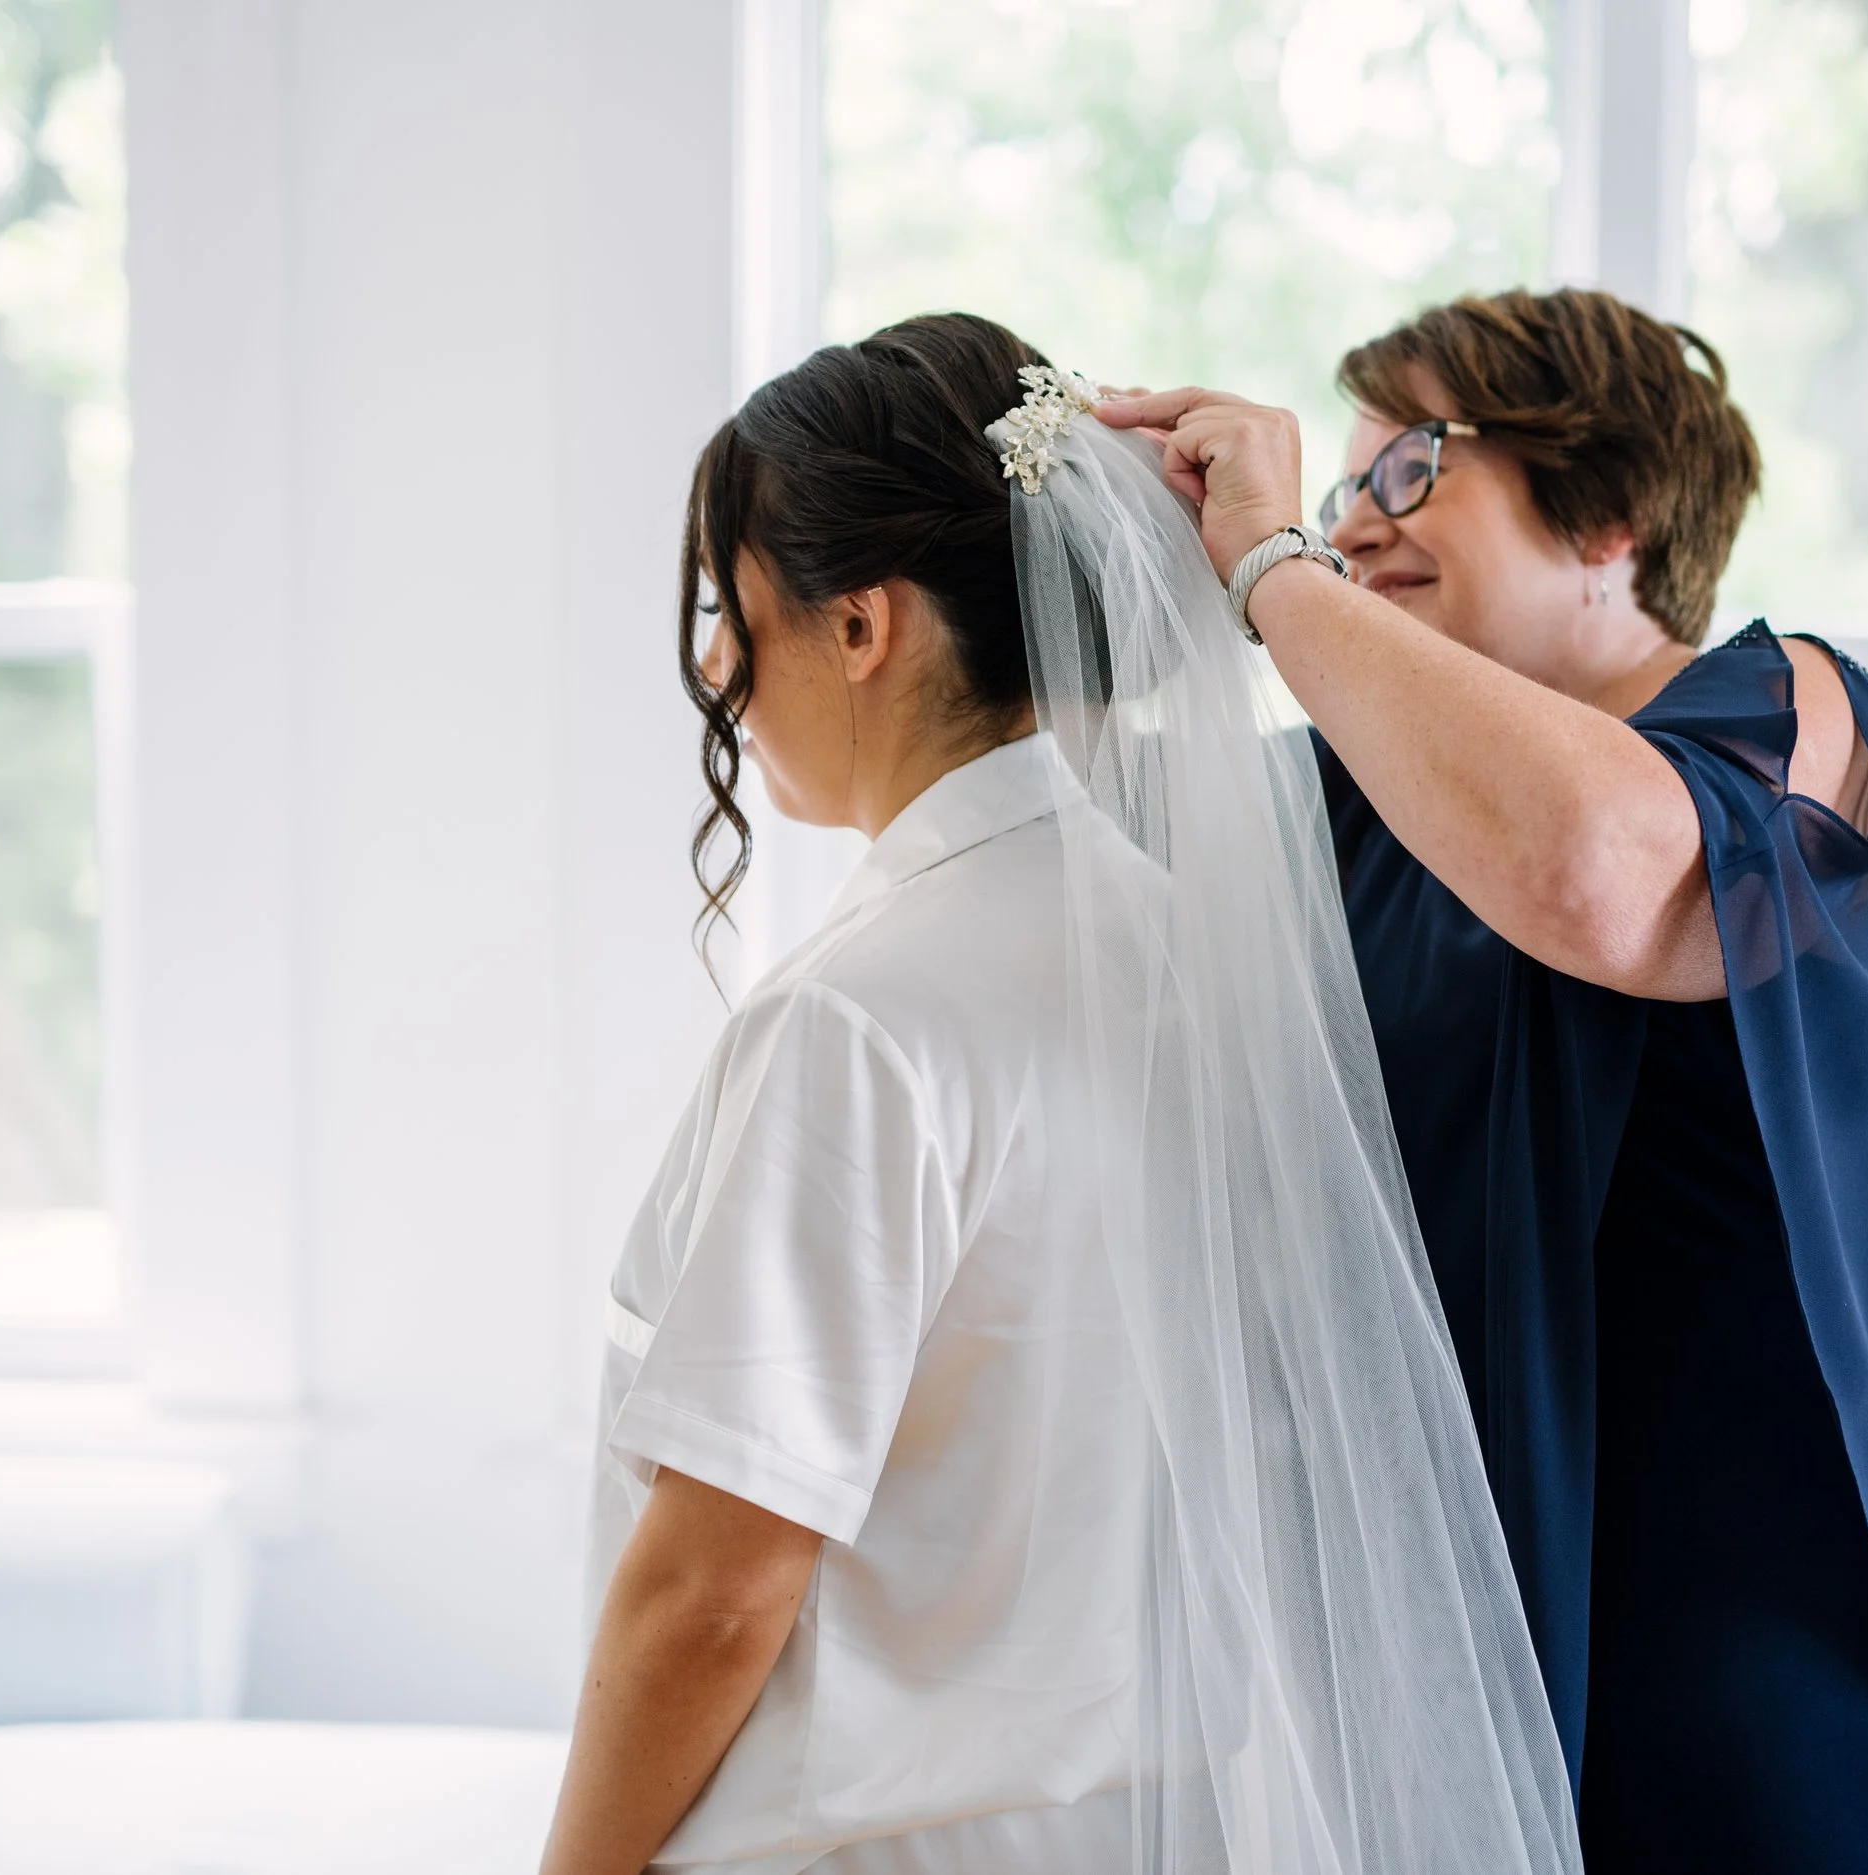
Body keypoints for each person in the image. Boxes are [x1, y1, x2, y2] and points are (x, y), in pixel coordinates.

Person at [538, 315, 1581, 1875]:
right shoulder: (1191, 961)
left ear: (861, 623)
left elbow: (716, 1586)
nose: (714, 669)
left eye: (727, 603)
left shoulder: (856, 1018)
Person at [1095, 287, 1868, 1875]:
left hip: (1766, 1701)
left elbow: (1603, 877)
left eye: (1410, 467)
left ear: (1609, 515)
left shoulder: (1799, 715)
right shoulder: (1343, 807)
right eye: (1343, 485)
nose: (1354, 522)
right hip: (1468, 1696)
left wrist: (1274, 568)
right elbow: (1038, 855)